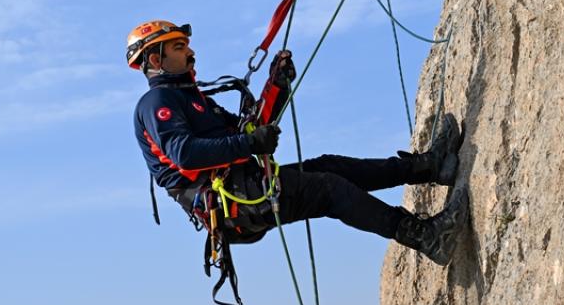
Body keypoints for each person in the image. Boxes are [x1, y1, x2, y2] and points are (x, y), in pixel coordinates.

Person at [126, 18, 470, 269]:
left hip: (244, 191)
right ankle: (426, 236)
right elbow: (185, 155)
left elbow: (251, 129)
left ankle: (429, 166)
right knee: (329, 189)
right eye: (179, 47)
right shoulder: (157, 104)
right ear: (155, 60)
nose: (191, 53)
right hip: (234, 203)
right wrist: (248, 144)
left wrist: (277, 85)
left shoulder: (194, 99)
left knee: (330, 167)